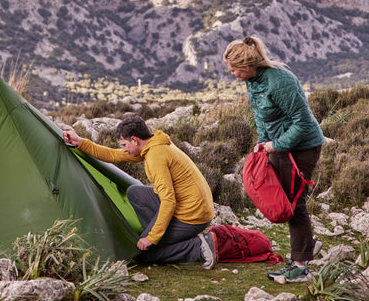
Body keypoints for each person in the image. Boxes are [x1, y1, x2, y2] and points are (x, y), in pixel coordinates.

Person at [223, 36, 324, 282]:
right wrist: (262, 141)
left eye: (234, 69)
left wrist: (275, 145)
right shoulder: (252, 80)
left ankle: (299, 265)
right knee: (279, 199)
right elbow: (262, 115)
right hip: (276, 146)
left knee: (293, 203)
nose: (233, 74)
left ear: (247, 66)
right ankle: (306, 247)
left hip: (302, 147)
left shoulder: (280, 81)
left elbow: (303, 121)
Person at [63, 116, 217, 268]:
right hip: (192, 205)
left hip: (193, 216)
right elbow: (113, 155)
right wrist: (81, 143)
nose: (123, 149)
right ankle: (164, 234)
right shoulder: (153, 144)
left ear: (135, 140)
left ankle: (198, 246)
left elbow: (169, 201)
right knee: (134, 192)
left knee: (142, 253)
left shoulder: (156, 157)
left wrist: (152, 238)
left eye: (124, 144)